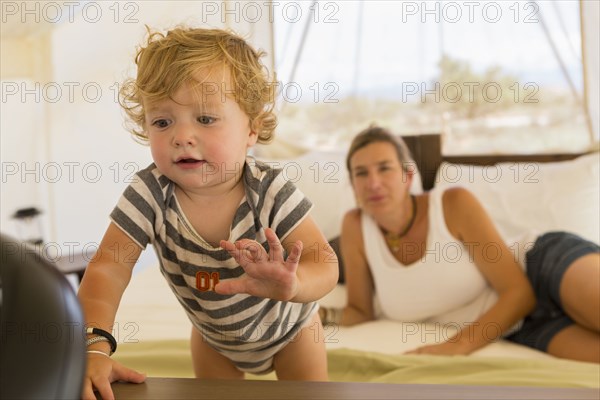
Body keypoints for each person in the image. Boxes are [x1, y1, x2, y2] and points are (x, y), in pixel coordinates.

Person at [78, 27, 338, 400]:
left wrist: (295, 286)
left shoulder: (270, 190)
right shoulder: (149, 194)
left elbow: (324, 262)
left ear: (253, 128)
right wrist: (94, 346)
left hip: (292, 331)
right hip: (214, 338)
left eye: (205, 119)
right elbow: (108, 267)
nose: (182, 136)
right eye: (162, 122)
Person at [319, 125, 599, 363]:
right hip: (515, 327)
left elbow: (519, 293)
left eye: (384, 169)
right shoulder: (355, 226)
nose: (374, 183)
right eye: (361, 173)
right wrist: (318, 314)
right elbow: (360, 310)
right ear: (352, 185)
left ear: (407, 176)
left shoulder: (452, 203)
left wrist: (456, 347)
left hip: (541, 267)